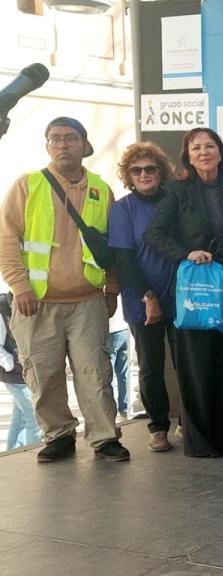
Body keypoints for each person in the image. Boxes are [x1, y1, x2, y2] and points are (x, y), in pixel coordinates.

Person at [0, 116, 128, 462]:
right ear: (47, 146)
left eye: (69, 138)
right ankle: (58, 435)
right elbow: (7, 239)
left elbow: (112, 247)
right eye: (54, 139)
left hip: (87, 301)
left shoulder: (102, 190)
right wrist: (19, 286)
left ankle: (104, 437)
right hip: (36, 302)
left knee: (95, 373)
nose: (61, 144)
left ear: (85, 145)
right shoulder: (28, 185)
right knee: (43, 373)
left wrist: (112, 289)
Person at [145, 127, 223, 458]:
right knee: (198, 364)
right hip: (198, 290)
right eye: (196, 148)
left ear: (221, 152)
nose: (203, 152)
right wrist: (185, 253)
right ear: (188, 156)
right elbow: (154, 233)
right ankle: (203, 441)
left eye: (209, 146)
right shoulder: (178, 191)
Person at [109, 141, 178, 452]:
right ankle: (158, 426)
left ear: (161, 172)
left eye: (150, 168)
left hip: (181, 297)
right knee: (151, 366)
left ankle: (187, 422)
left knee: (186, 363)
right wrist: (148, 297)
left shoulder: (175, 201)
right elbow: (123, 260)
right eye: (137, 170)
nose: (144, 174)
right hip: (143, 299)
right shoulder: (123, 209)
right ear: (129, 176)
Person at [1, 291, 41, 450]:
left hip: (24, 373)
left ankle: (10, 454)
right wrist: (11, 364)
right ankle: (33, 455)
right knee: (35, 419)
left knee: (20, 418)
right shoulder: (3, 308)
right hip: (15, 376)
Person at [107, 303, 130, 421]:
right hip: (124, 328)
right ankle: (125, 408)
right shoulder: (117, 285)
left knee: (107, 375)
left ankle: (110, 411)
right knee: (123, 373)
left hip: (110, 331)